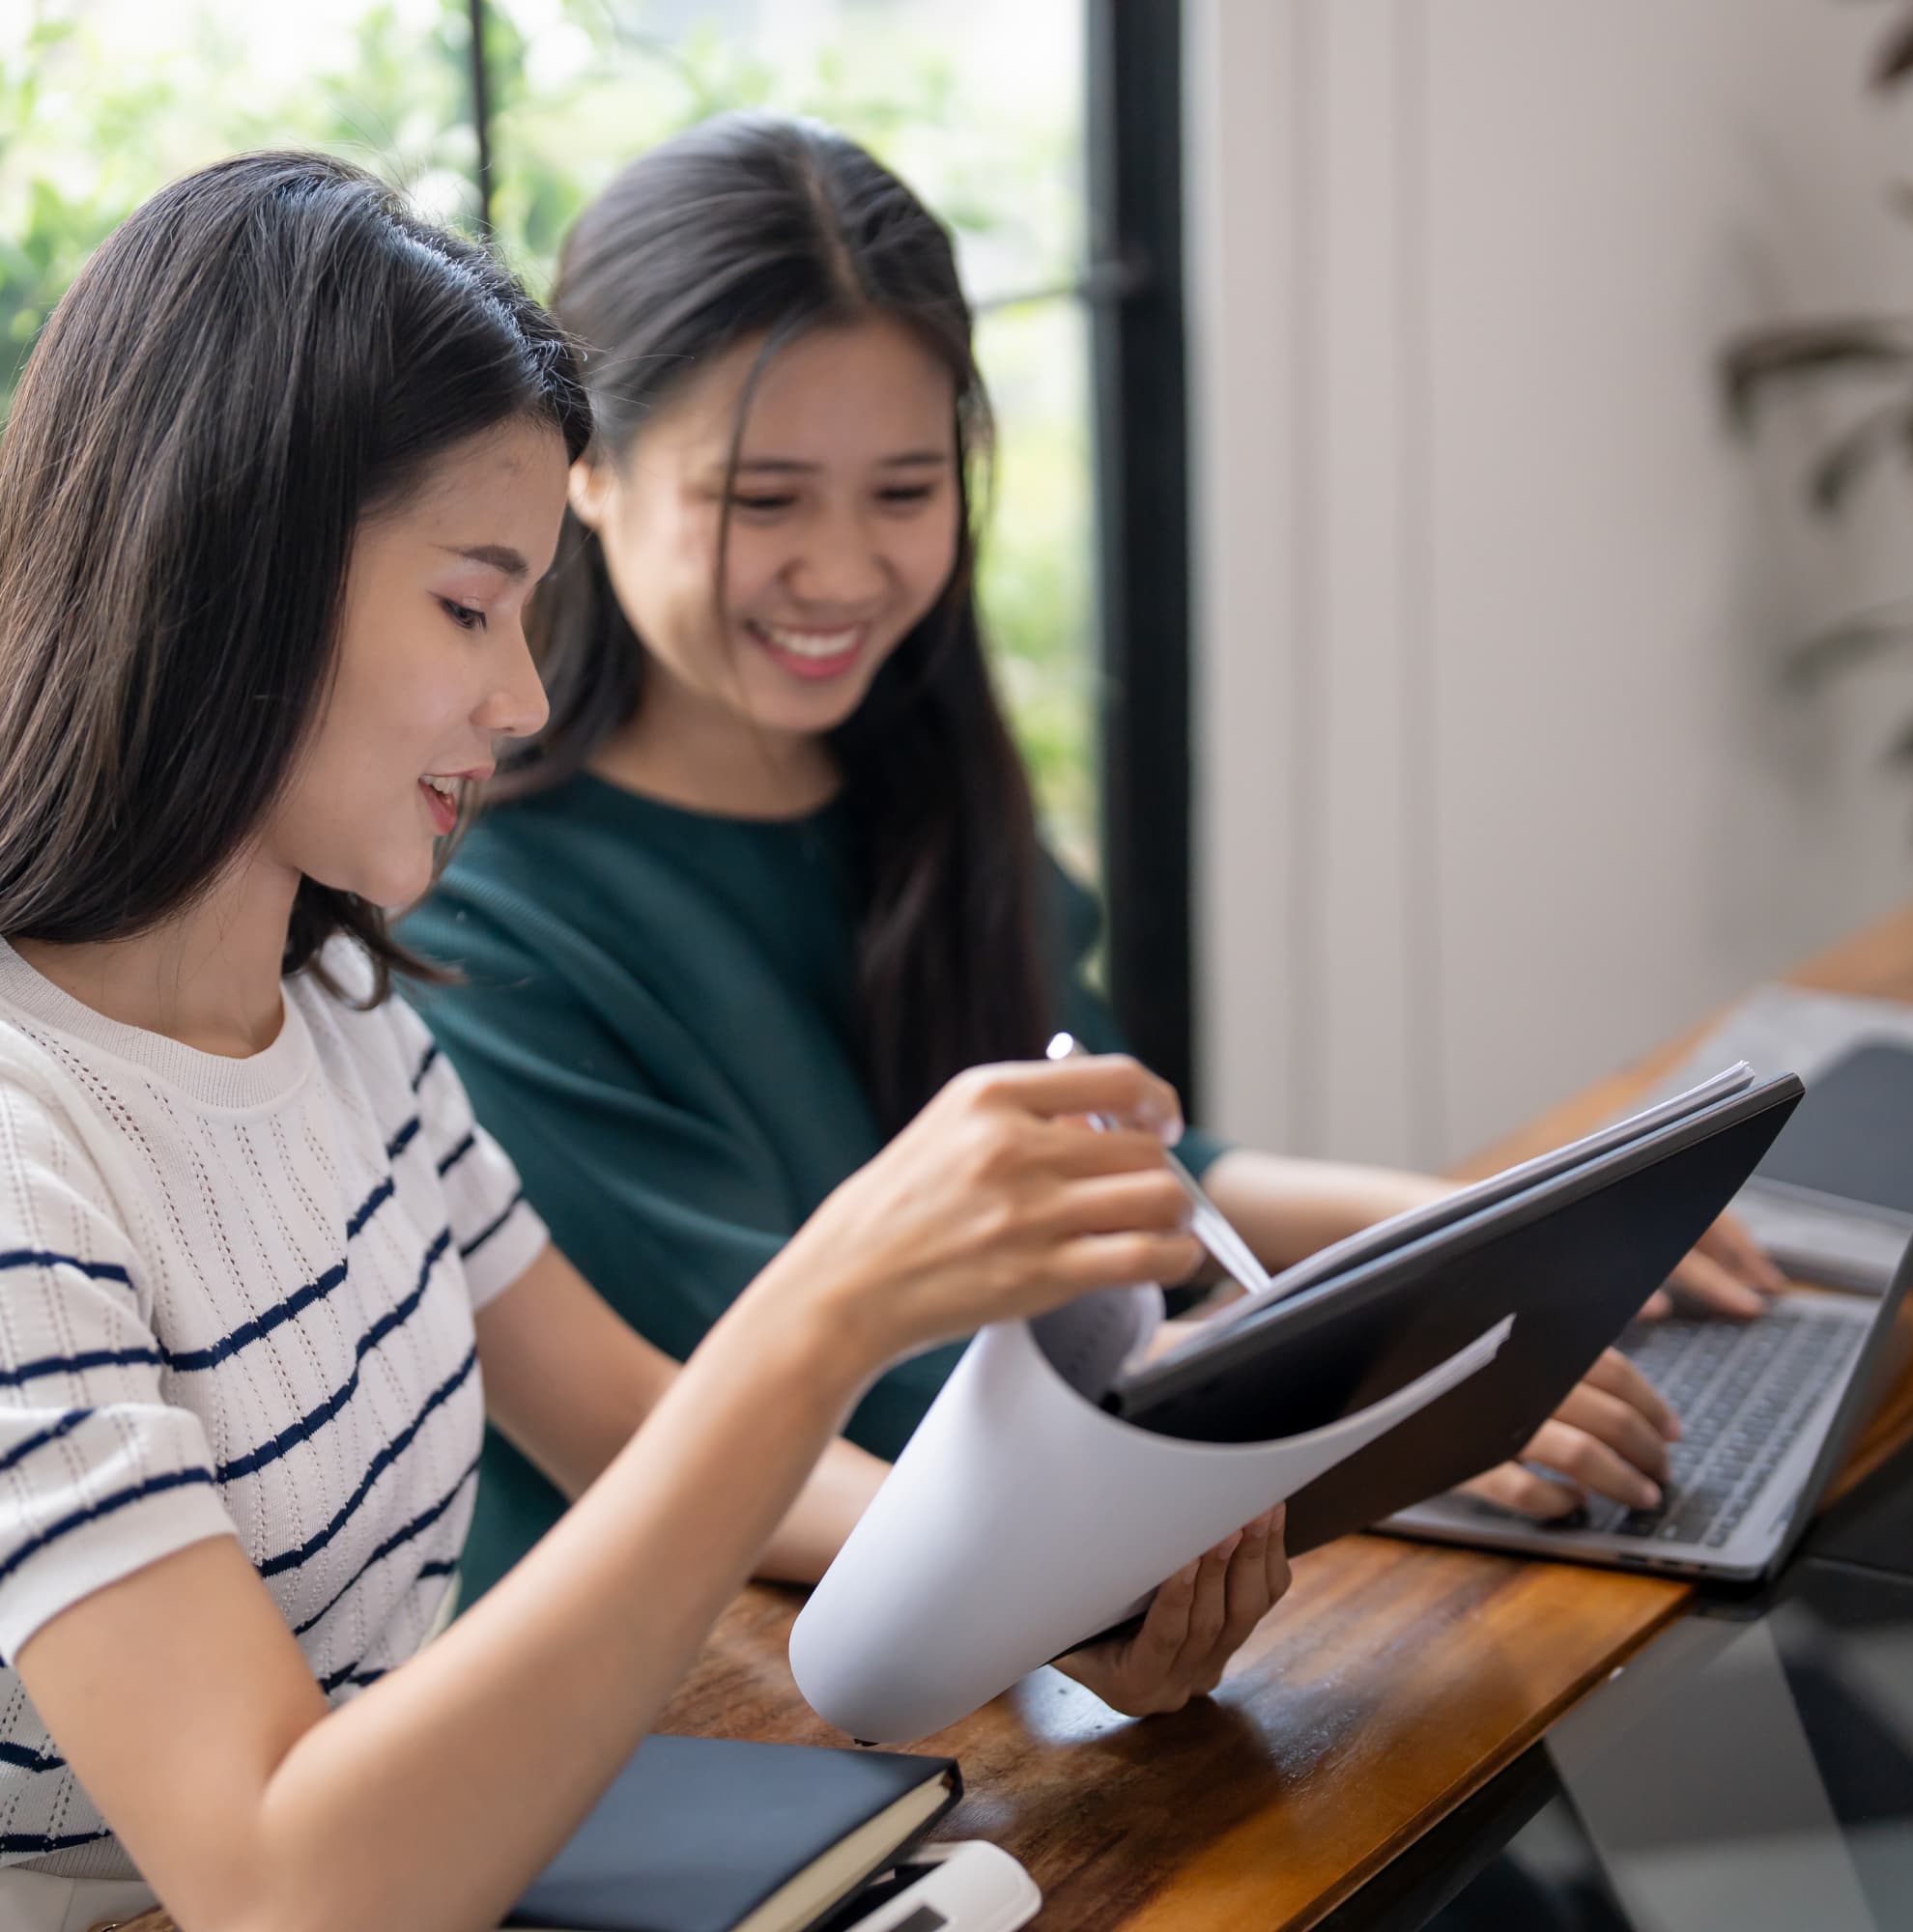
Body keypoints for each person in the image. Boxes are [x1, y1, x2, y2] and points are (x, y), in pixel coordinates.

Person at [0, 150, 1281, 1932]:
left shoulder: (339, 1008)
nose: (520, 696)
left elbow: (620, 1420)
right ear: (240, 575)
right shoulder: (23, 1148)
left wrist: (1062, 1603)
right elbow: (281, 1886)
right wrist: (834, 1304)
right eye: (468, 603)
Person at [401, 112, 1786, 1615]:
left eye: (908, 491)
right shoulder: (483, 912)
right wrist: (1334, 1422)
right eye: (764, 497)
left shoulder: (912, 784)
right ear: (586, 477)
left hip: (1006, 1585)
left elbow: (1133, 1179)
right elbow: (773, 1404)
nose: (846, 571)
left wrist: (1512, 1233)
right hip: (722, 1669)